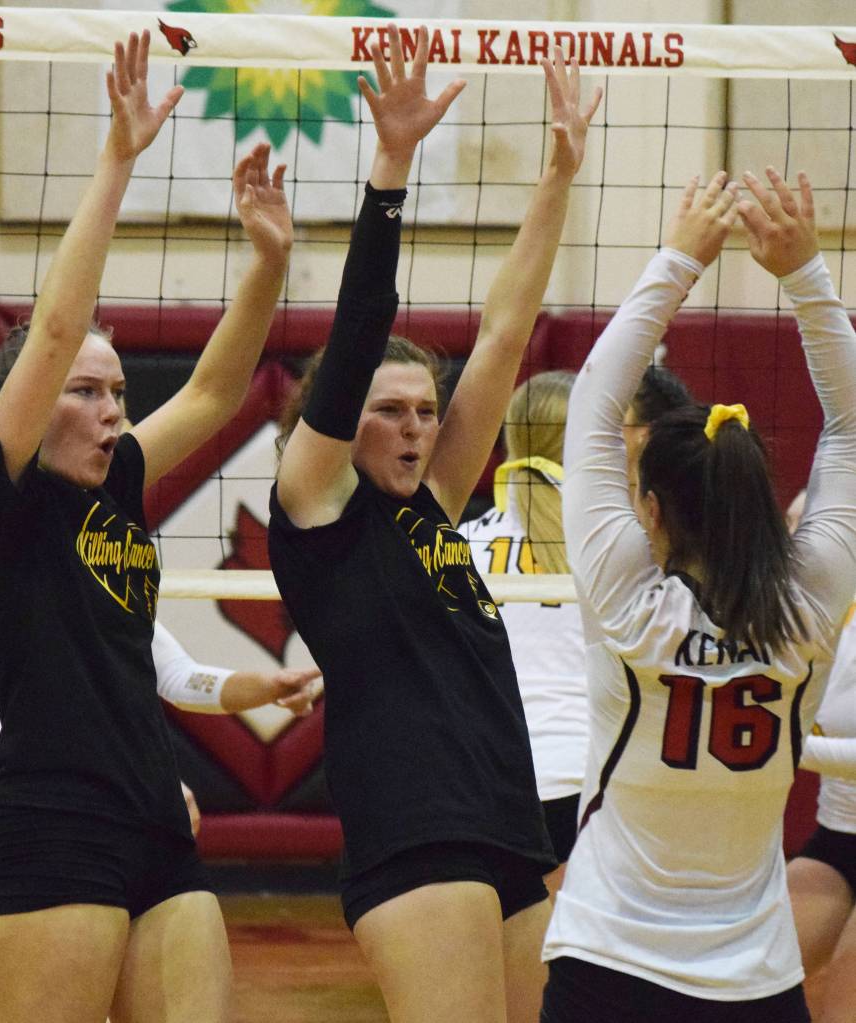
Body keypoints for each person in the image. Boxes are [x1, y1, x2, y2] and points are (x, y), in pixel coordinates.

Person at [0, 30, 293, 1023]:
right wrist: (118, 159)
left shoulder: (118, 482)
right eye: (88, 393)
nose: (112, 409)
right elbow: (54, 331)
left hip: (156, 817)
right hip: (55, 825)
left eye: (116, 393)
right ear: (32, 400)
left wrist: (266, 262)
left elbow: (221, 387)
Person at [269, 26, 600, 1023]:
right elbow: (359, 325)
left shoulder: (437, 511)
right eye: (389, 410)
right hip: (416, 834)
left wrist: (560, 173)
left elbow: (504, 331)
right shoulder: (316, 504)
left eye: (425, 410)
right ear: (336, 419)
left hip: (509, 827)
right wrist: (393, 166)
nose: (417, 426)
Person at [541, 166, 856, 1023]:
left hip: (606, 961)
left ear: (650, 509)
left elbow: (591, 408)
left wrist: (678, 257)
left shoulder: (629, 608)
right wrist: (806, 274)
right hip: (752, 977)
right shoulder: (811, 608)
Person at [0, 541, 320, 1023]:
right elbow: (170, 678)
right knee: (62, 980)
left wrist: (264, 688)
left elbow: (178, 676)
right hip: (23, 788)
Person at [459, 371, 587, 893]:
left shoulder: (460, 541)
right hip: (592, 779)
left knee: (507, 962)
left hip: (494, 781)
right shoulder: (620, 539)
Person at [783, 489, 856, 1023]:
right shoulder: (792, 623)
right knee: (750, 971)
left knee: (841, 1007)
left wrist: (782, 744)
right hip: (838, 836)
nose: (793, 542)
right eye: (788, 525)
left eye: (805, 528)